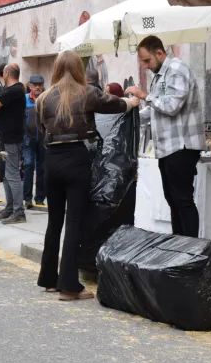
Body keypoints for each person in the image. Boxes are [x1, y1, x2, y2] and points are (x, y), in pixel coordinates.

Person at [36, 51, 138, 301]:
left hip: (52, 161)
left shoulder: (43, 98)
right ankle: (69, 286)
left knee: (54, 222)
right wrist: (132, 102)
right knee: (73, 223)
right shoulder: (87, 93)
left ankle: (48, 279)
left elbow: (40, 131)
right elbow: (115, 105)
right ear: (79, 70)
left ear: (57, 70)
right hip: (77, 161)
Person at [126, 36, 204, 238]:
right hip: (168, 148)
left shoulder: (177, 70)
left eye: (147, 60)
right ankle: (179, 244)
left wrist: (144, 95)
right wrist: (129, 114)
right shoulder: (161, 74)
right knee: (173, 198)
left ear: (159, 53)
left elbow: (170, 106)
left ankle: (190, 248)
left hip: (182, 146)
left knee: (182, 199)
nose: (145, 66)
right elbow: (155, 110)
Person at [0, 62, 27, 224]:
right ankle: (9, 209)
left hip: (11, 138)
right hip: (5, 137)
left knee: (12, 175)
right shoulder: (13, 91)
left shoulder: (15, 90)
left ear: (6, 73)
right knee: (5, 174)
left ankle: (19, 212)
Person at [23, 74, 46, 209]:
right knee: (28, 165)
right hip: (28, 139)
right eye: (35, 85)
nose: (37, 87)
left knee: (42, 168)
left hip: (44, 139)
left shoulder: (47, 99)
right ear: (29, 86)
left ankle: (39, 198)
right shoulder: (24, 99)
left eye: (40, 84)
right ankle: (27, 198)